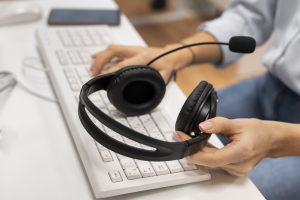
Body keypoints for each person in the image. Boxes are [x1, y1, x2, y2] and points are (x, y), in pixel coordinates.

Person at [90, 0, 300, 199]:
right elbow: (251, 14)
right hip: (271, 86)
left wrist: (276, 139)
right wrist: (175, 54)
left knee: (212, 193)